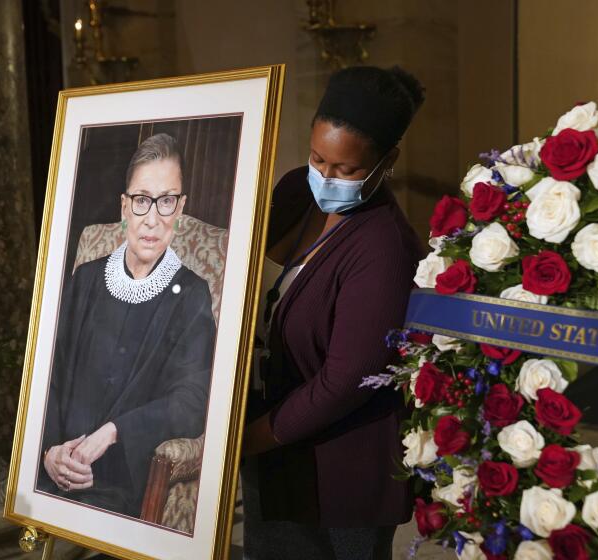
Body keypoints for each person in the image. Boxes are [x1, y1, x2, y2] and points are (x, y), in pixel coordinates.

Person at [241, 66, 426, 559]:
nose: (326, 177)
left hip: (341, 473)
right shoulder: (296, 195)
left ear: (388, 162)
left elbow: (346, 380)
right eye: (317, 158)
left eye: (346, 170)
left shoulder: (383, 247)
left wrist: (248, 440)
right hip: (278, 449)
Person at [38, 132, 216, 519]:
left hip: (125, 484)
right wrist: (50, 450)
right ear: (124, 207)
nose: (152, 218)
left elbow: (191, 402)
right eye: (141, 200)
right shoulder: (85, 279)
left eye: (166, 201)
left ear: (180, 208)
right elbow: (50, 370)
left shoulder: (192, 295)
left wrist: (111, 432)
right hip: (54, 471)